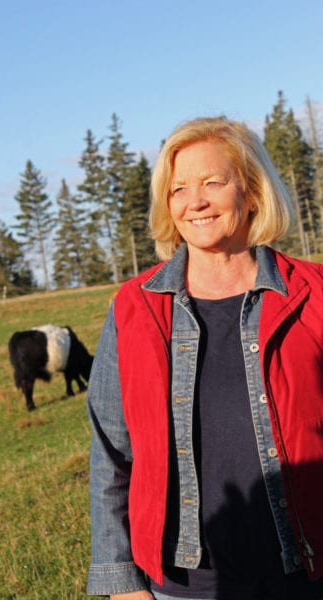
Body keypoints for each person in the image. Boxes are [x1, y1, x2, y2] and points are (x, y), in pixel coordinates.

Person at [86, 116, 323, 600]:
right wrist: (120, 581)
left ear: (252, 191)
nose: (194, 201)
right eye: (178, 189)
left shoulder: (314, 294)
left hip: (305, 575)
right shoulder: (134, 307)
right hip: (183, 586)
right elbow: (110, 454)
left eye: (213, 182)